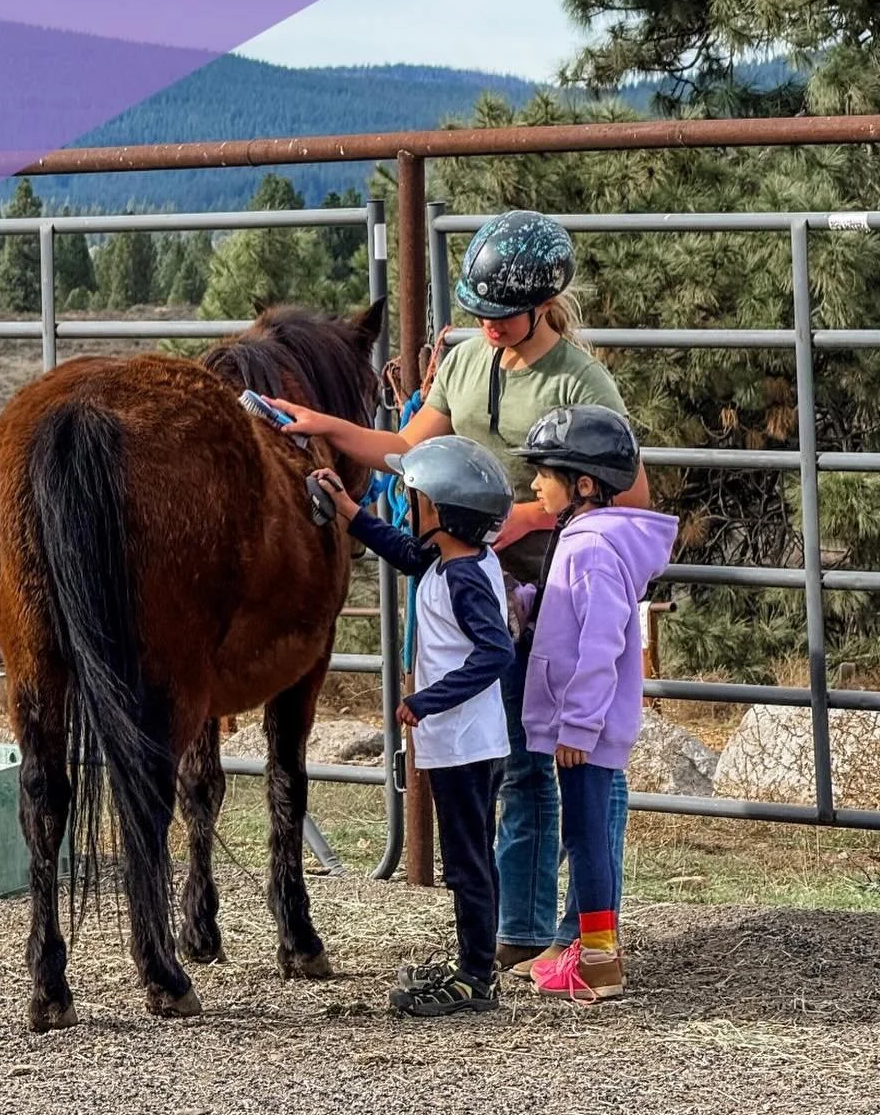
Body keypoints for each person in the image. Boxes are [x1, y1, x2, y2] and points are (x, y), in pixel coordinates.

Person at [269, 208, 649, 972]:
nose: (489, 326)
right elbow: (410, 450)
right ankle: (524, 925)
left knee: (564, 755)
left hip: (556, 584)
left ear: (542, 306)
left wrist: (528, 516)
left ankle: (581, 928)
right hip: (482, 580)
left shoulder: (580, 380)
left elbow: (627, 494)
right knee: (513, 755)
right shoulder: (470, 361)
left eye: (503, 317)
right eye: (480, 313)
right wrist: (323, 424)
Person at [311, 438, 515, 1017]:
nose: (408, 503)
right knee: (472, 855)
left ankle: (476, 979)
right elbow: (403, 550)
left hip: (462, 743)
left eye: (416, 497)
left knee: (468, 861)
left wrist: (427, 700)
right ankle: (476, 963)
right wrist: (352, 512)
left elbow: (495, 653)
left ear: (446, 514)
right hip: (462, 742)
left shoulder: (462, 578)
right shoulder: (456, 560)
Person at [511, 404, 677, 1001]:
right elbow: (575, 618)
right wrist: (531, 603)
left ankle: (601, 964)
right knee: (583, 837)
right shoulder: (581, 541)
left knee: (585, 839)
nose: (534, 485)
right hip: (581, 725)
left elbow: (603, 642)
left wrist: (577, 727)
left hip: (585, 729)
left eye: (544, 474)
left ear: (582, 484)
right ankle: (593, 953)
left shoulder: (591, 549)